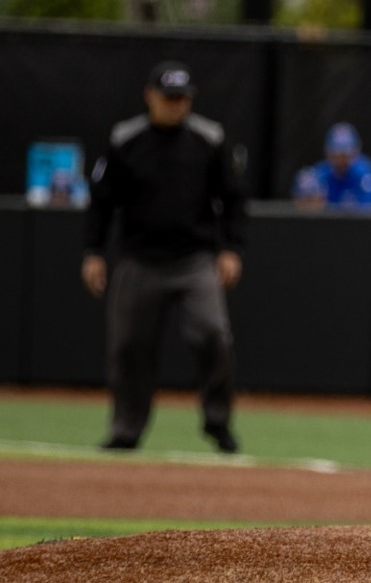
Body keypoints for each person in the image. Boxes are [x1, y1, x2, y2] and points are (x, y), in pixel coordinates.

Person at [81, 60, 247, 455]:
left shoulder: (209, 138)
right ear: (149, 97)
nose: (176, 105)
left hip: (194, 259)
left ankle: (218, 422)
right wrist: (93, 252)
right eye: (169, 98)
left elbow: (234, 197)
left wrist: (232, 248)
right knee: (129, 347)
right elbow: (101, 202)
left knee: (213, 334)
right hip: (139, 259)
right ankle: (126, 429)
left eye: (182, 99)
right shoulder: (126, 139)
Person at [307, 122, 371, 210]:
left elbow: (367, 212)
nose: (341, 161)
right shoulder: (320, 174)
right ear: (328, 153)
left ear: (355, 152)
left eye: (345, 156)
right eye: (336, 155)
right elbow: (308, 210)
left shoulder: (364, 174)